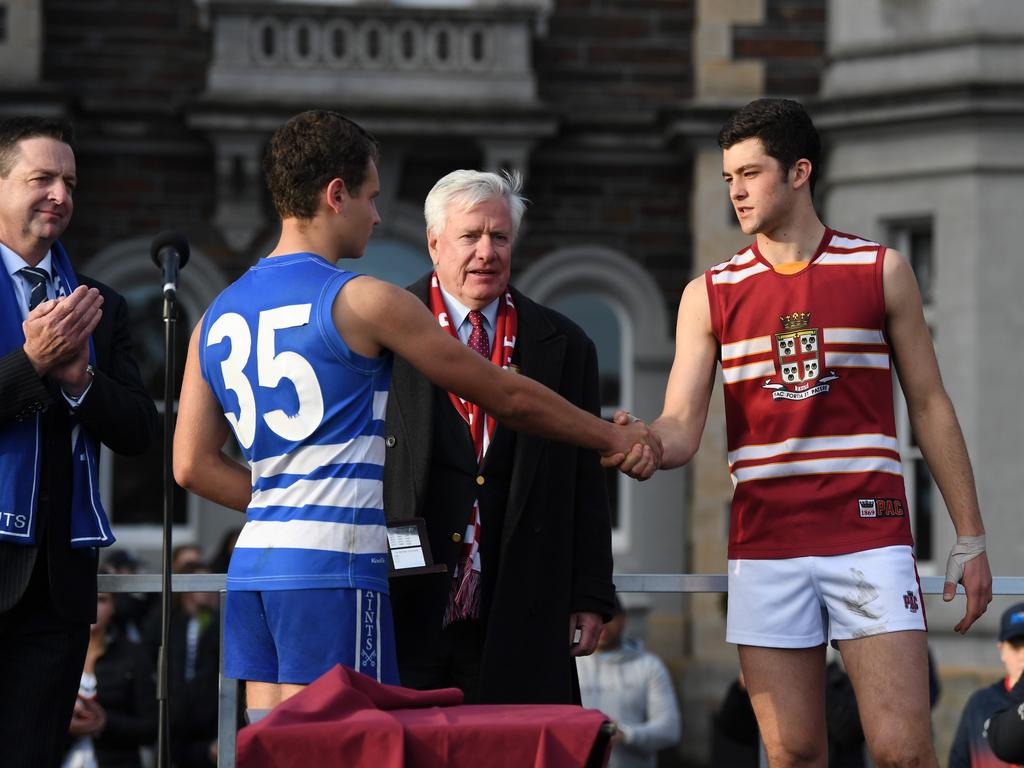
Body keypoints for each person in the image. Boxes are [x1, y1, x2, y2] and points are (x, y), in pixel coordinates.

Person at [172, 110, 656, 715]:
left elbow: (190, 466)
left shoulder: (215, 313)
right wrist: (612, 436)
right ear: (336, 195)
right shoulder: (365, 299)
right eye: (372, 198)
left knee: (273, 744)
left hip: (256, 566)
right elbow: (507, 396)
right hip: (335, 566)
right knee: (342, 749)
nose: (377, 216)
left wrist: (289, 500)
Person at [611, 97, 993, 767]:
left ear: (799, 173)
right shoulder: (709, 292)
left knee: (904, 751)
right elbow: (680, 428)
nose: (735, 190)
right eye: (729, 176)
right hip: (766, 545)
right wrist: (642, 440)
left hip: (869, 537)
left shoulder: (882, 270)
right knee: (791, 754)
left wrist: (970, 534)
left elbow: (930, 406)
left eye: (750, 173)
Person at [382, 168, 615, 704]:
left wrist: (591, 594)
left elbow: (585, 480)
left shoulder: (565, 343)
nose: (487, 252)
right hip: (408, 600)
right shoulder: (383, 333)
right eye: (470, 236)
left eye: (500, 237)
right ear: (434, 243)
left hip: (522, 599)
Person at [0, 116, 157, 768]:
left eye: (69, 182)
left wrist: (80, 379)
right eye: (42, 178)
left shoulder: (102, 305)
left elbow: (141, 431)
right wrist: (31, 364)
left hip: (56, 588)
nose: (59, 195)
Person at [63, 579, 158, 768]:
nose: (91, 605)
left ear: (114, 605)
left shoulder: (134, 655)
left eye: (100, 599)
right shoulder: (53, 653)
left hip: (117, 759)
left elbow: (152, 727)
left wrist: (106, 722)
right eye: (83, 597)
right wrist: (65, 726)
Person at [576, 596, 680, 767]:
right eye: (597, 617)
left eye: (609, 617)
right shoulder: (570, 665)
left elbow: (670, 730)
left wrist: (626, 734)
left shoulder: (649, 665)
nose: (602, 624)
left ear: (624, 619)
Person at [950, 602, 1024, 767]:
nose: (1023, 656)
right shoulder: (980, 704)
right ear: (1001, 650)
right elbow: (959, 761)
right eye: (1016, 646)